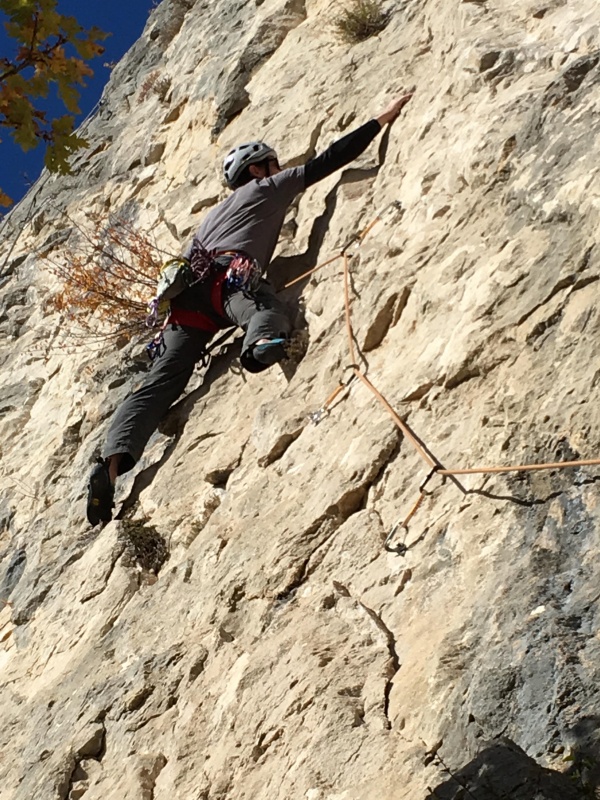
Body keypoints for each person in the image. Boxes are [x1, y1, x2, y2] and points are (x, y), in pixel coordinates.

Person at [86, 92, 413, 525]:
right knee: (264, 310)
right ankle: (259, 346)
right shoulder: (264, 188)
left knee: (158, 384)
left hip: (186, 303)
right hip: (227, 281)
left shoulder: (207, 219)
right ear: (257, 170)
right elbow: (327, 161)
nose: (277, 171)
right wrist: (378, 119)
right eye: (271, 165)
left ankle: (110, 463)